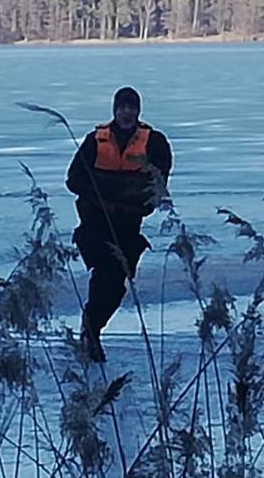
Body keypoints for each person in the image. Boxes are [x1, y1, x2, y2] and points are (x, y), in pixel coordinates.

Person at [65, 87, 173, 362]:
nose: (126, 112)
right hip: (94, 224)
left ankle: (91, 326)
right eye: (122, 106)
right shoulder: (95, 141)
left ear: (138, 111)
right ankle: (92, 332)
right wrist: (114, 192)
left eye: (131, 107)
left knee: (116, 286)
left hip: (128, 227)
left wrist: (117, 192)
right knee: (105, 273)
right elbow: (73, 180)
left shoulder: (155, 142)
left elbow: (157, 188)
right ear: (114, 109)